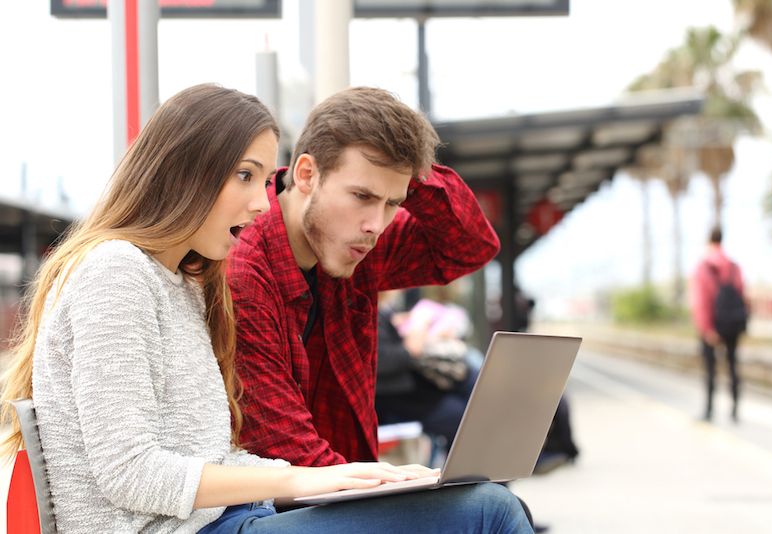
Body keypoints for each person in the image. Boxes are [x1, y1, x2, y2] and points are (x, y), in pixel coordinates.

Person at [0, 84, 532, 533]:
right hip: (200, 527)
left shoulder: (182, 282)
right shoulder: (117, 272)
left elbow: (210, 452)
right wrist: (301, 478)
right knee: (490, 511)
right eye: (245, 176)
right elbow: (130, 471)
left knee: (482, 504)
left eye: (391, 202)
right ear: (185, 170)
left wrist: (363, 478)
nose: (260, 201)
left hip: (229, 518)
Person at [227, 87, 501, 467]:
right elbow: (286, 448)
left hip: (346, 484)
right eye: (362, 195)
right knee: (492, 509)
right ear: (307, 174)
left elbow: (470, 247)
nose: (376, 225)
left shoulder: (357, 242)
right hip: (284, 506)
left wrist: (409, 173)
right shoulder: (245, 270)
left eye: (393, 203)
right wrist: (391, 487)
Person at [375, 291, 478, 454]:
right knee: (463, 419)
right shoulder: (372, 314)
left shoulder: (386, 311)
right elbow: (381, 362)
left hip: (412, 387)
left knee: (474, 390)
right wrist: (412, 345)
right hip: (395, 396)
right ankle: (471, 474)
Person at [691, 225, 748, 422]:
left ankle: (709, 410)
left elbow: (701, 300)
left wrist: (707, 328)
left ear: (709, 241)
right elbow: (741, 294)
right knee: (733, 365)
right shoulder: (734, 266)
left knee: (710, 368)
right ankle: (734, 410)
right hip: (732, 323)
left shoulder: (703, 266)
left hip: (712, 324)